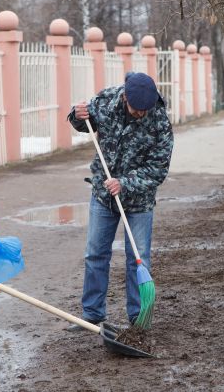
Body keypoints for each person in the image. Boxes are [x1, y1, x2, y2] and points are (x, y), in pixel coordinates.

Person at [66, 72, 174, 329]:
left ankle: (138, 318)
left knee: (138, 259)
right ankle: (92, 313)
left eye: (145, 110)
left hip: (138, 202)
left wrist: (125, 183)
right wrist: (76, 115)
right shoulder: (106, 101)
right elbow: (86, 124)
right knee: (95, 254)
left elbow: (158, 169)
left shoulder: (159, 122)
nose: (141, 115)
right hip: (103, 196)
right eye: (136, 110)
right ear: (125, 97)